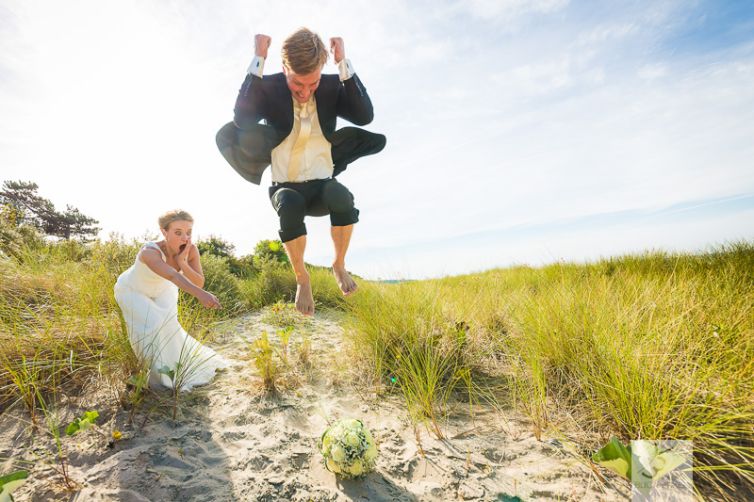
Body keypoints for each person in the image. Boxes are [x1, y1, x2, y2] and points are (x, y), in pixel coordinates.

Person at [216, 27, 386, 316]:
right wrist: (258, 58)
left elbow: (364, 116)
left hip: (322, 185)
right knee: (290, 204)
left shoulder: (332, 87)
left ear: (322, 70)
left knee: (341, 195)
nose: (306, 92)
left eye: (313, 83)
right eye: (297, 85)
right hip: (286, 187)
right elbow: (242, 119)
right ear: (284, 69)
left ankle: (339, 264)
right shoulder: (269, 88)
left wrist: (343, 62)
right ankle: (301, 278)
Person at [114, 210, 228, 390]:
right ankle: (153, 378)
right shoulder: (149, 252)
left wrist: (183, 262)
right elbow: (173, 276)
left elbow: (198, 281)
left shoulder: (191, 250)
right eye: (178, 232)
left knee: (169, 326)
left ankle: (176, 370)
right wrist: (200, 294)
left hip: (162, 289)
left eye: (188, 232)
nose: (185, 237)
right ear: (164, 232)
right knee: (152, 324)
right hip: (133, 290)